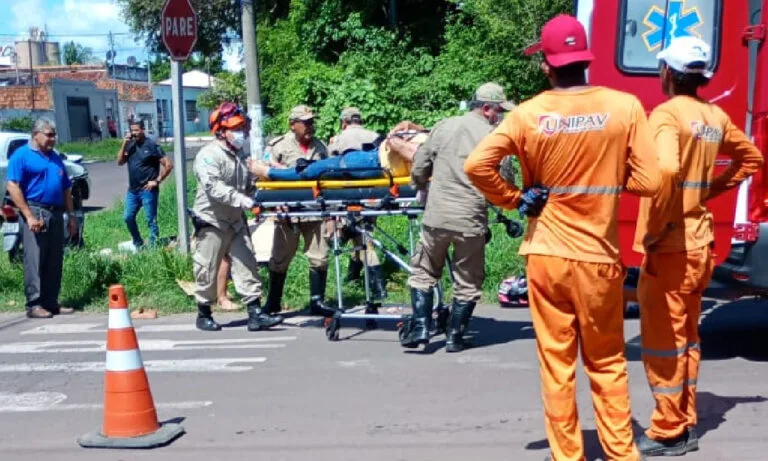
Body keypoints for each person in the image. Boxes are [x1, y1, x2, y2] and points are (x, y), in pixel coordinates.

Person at [464, 14, 661, 461]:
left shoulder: (528, 114)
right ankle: (620, 451)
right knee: (607, 361)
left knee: (557, 363)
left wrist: (515, 199)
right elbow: (651, 181)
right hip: (597, 257)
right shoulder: (625, 107)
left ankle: (567, 454)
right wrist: (610, 174)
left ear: (546, 65)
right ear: (586, 59)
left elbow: (477, 165)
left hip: (546, 254)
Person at [633, 36, 764, 457]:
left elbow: (667, 168)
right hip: (699, 244)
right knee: (686, 337)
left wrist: (661, 225)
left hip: (670, 246)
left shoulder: (667, 115)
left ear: (667, 72)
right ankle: (684, 419)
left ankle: (669, 429)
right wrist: (708, 191)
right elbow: (753, 160)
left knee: (662, 341)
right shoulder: (713, 116)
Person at [399, 82, 514, 352]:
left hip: (436, 217)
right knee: (467, 280)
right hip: (470, 221)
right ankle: (454, 336)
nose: (501, 116)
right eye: (499, 111)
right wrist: (505, 202)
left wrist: (420, 185)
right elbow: (505, 180)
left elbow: (420, 162)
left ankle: (422, 328)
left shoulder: (445, 125)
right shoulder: (496, 136)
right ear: (487, 109)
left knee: (423, 272)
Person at [190, 102, 283, 332]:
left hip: (235, 220)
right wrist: (242, 200)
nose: (241, 133)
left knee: (247, 264)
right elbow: (213, 186)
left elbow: (248, 184)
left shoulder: (240, 155)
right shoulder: (208, 156)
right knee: (207, 269)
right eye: (236, 128)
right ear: (221, 131)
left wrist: (263, 195)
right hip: (211, 221)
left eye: (242, 127)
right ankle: (203, 313)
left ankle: (255, 313)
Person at [257, 105, 333, 316]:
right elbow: (264, 177)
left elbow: (328, 178)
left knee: (319, 257)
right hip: (288, 212)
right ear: (293, 125)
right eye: (305, 122)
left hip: (315, 210)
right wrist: (273, 203)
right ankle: (273, 302)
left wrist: (331, 213)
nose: (310, 126)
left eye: (311, 122)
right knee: (280, 258)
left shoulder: (320, 147)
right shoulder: (278, 147)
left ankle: (317, 302)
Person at [5, 118, 78, 319]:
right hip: (35, 210)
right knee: (35, 259)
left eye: (54, 135)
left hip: (56, 213)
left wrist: (71, 216)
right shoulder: (22, 156)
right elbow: (13, 186)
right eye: (49, 134)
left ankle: (50, 301)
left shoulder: (54, 157)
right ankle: (34, 304)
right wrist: (28, 215)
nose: (53, 139)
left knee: (54, 259)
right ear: (35, 134)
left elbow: (66, 189)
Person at [117, 119, 173, 249]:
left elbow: (168, 165)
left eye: (136, 130)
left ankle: (154, 248)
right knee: (128, 217)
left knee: (151, 220)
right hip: (133, 190)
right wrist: (124, 143)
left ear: (143, 130)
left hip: (148, 190)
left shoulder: (151, 145)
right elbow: (120, 162)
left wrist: (157, 181)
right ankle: (138, 243)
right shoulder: (130, 145)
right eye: (132, 130)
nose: (134, 133)